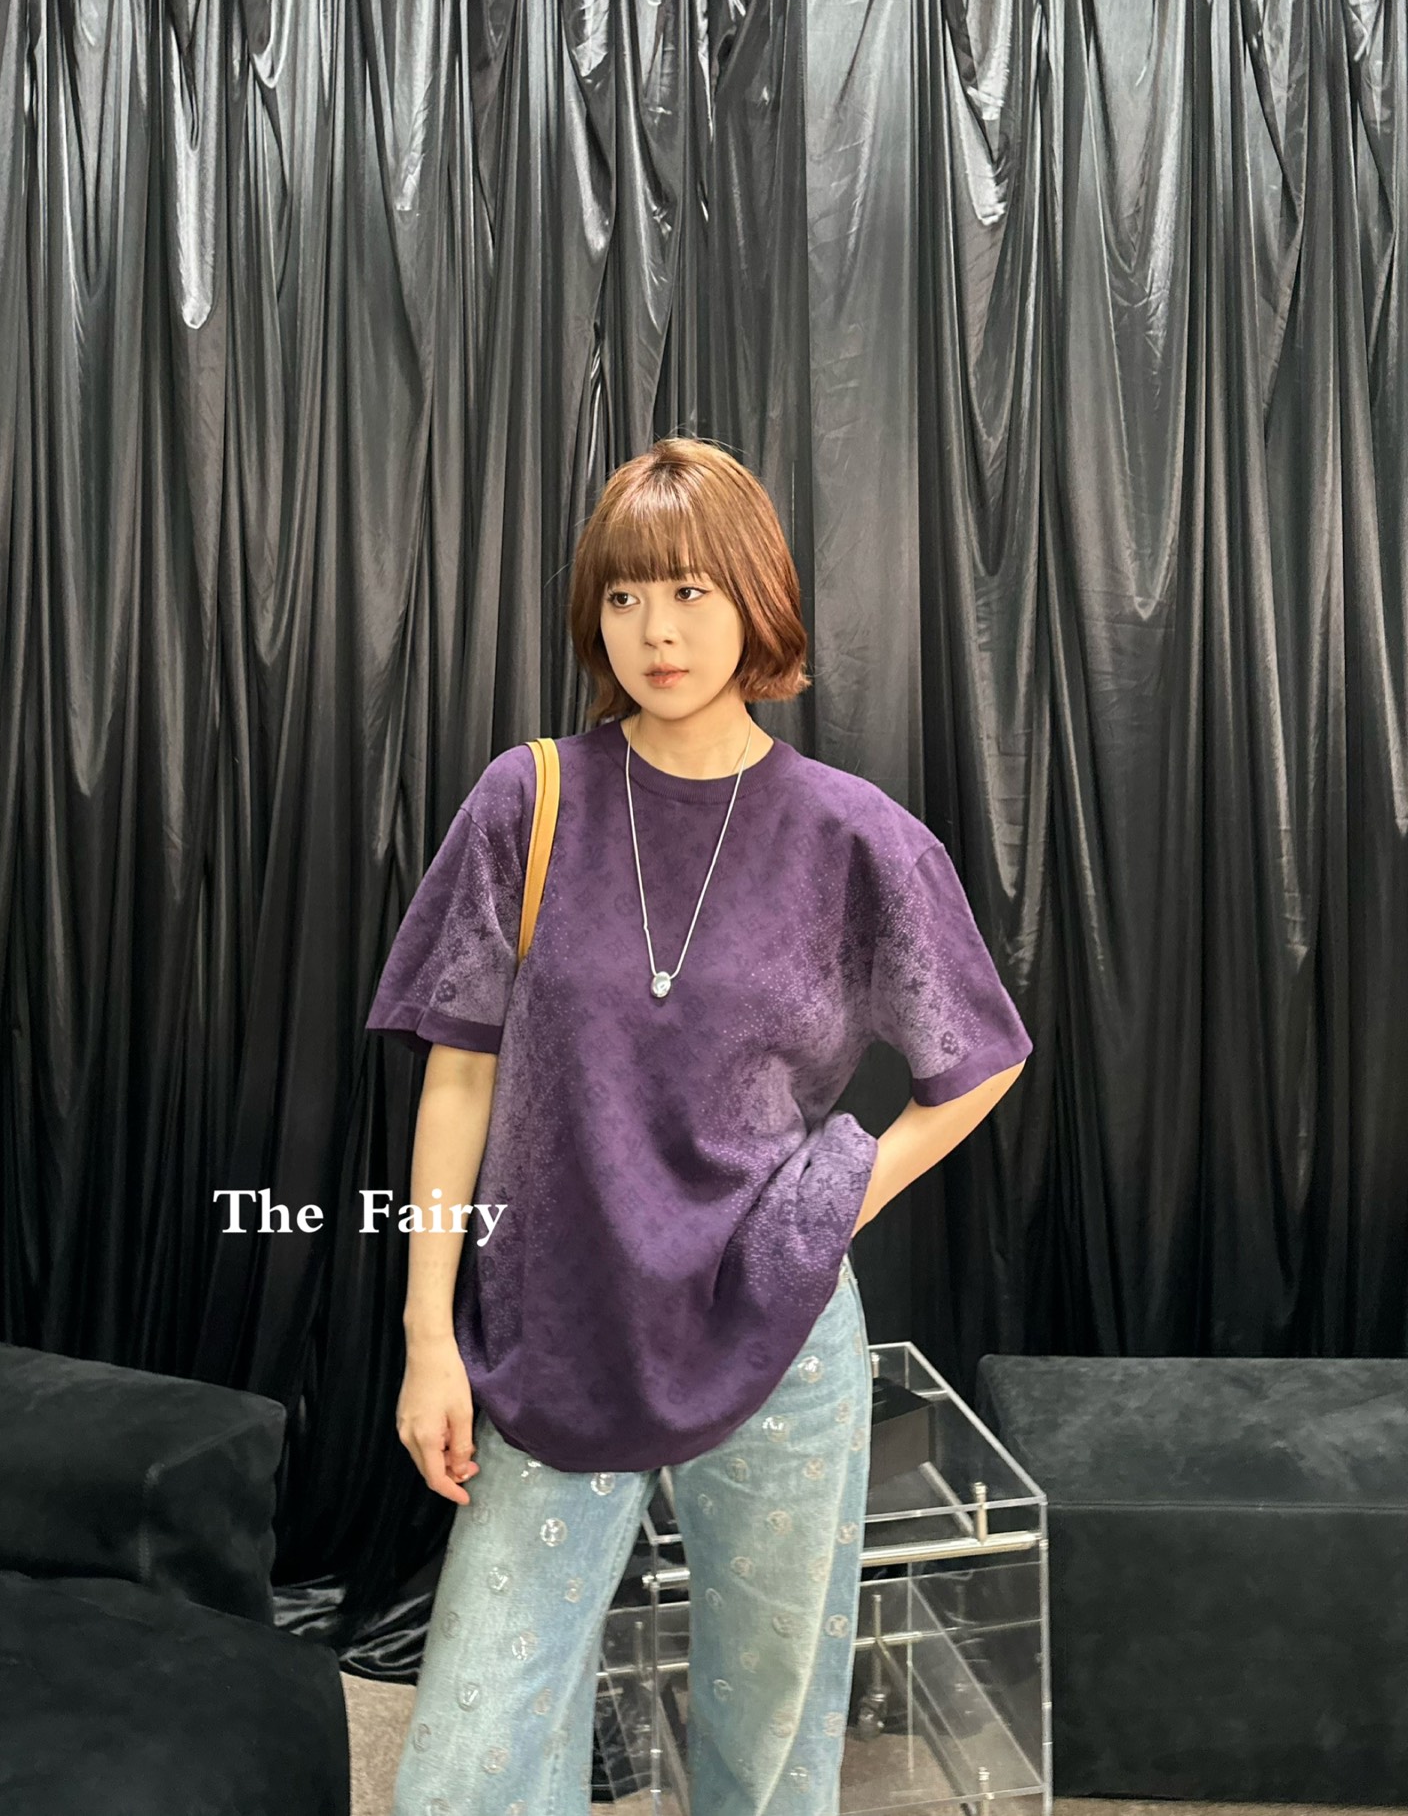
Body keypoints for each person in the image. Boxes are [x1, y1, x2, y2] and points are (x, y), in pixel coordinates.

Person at [365, 436, 1033, 1816]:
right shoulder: (529, 801)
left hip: (776, 1330)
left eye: (688, 591)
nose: (655, 632)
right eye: (623, 597)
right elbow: (458, 1076)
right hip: (558, 1326)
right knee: (474, 1758)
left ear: (755, 600)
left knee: (772, 1735)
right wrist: (431, 1333)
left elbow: (981, 1059)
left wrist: (835, 1196)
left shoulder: (852, 837)